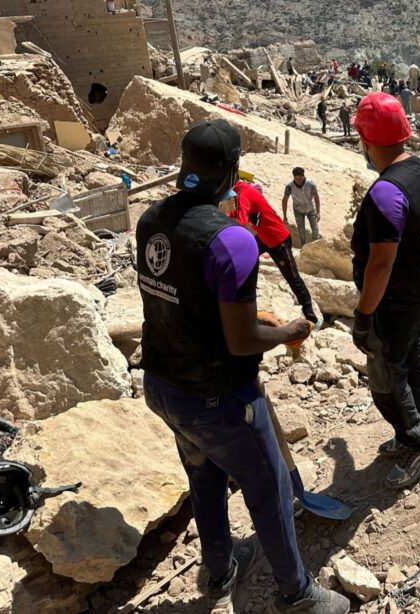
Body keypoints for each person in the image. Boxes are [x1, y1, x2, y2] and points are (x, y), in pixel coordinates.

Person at [136, 120, 347, 614]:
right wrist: (287, 332)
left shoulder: (150, 219)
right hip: (218, 397)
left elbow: (184, 300)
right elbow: (240, 338)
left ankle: (221, 568)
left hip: (164, 385)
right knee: (269, 486)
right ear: (233, 172)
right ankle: (298, 595)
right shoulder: (232, 241)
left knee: (205, 476)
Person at [350, 92, 420, 489]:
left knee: (387, 373)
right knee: (412, 357)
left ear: (367, 141)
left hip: (395, 298)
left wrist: (363, 313)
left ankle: (418, 440)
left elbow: (382, 263)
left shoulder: (386, 193)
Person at [229, 180, 318, 323]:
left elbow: (241, 220)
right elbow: (238, 212)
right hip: (265, 237)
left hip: (279, 241)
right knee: (244, 259)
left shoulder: (242, 193)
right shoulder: (243, 190)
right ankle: (238, 297)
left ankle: (311, 317)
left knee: (293, 278)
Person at [282, 167, 320, 245]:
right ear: (294, 177)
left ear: (303, 176)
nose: (299, 181)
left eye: (300, 179)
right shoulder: (289, 187)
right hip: (298, 210)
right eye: (297, 179)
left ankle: (316, 245)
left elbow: (316, 197)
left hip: (310, 209)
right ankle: (304, 246)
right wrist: (285, 216)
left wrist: (318, 212)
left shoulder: (310, 184)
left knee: (315, 229)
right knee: (301, 230)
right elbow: (284, 201)